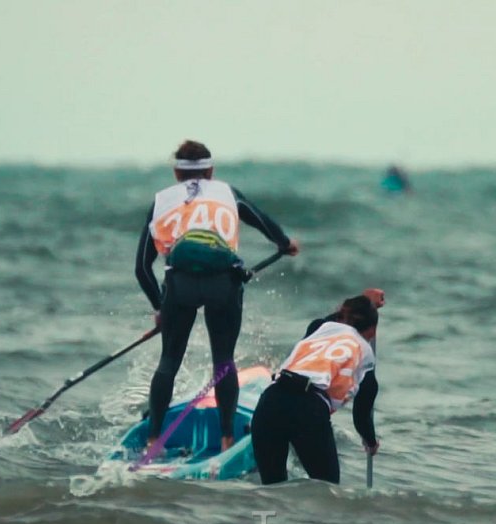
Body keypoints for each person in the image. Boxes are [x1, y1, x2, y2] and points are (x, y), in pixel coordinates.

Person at [137, 140, 300, 451]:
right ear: (211, 171)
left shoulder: (161, 201)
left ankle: (153, 439)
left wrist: (160, 307)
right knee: (223, 361)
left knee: (168, 361)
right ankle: (227, 439)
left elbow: (142, 268)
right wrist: (284, 243)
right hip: (223, 285)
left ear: (176, 173)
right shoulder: (227, 192)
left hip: (179, 286)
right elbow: (264, 222)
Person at [252, 294, 380, 485]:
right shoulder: (365, 358)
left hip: (271, 400)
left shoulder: (317, 329)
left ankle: (268, 516)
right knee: (326, 490)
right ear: (372, 331)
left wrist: (364, 301)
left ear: (341, 314)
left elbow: (330, 320)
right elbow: (361, 417)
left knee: (272, 488)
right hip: (308, 410)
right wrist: (370, 442)